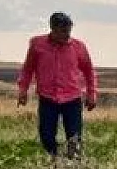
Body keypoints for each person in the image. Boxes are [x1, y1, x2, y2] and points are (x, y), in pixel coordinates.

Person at [16, 12, 97, 161]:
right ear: (52, 29)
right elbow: (28, 69)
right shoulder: (37, 44)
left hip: (72, 98)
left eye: (69, 31)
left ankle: (73, 165)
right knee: (46, 135)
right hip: (48, 98)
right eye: (63, 31)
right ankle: (54, 161)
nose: (67, 35)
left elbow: (89, 71)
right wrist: (23, 90)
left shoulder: (78, 47)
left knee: (74, 136)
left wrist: (91, 94)